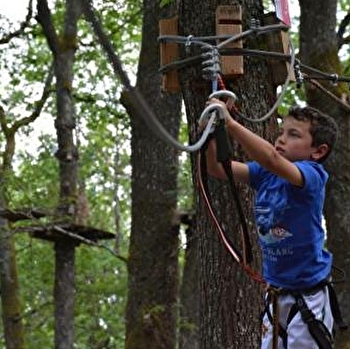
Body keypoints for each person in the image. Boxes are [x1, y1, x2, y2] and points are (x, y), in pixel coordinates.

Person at [203, 98, 339, 349]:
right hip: (276, 294)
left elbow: (272, 159)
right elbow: (218, 169)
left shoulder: (312, 176)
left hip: (309, 295)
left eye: (293, 134)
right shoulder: (264, 174)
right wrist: (212, 133)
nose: (281, 139)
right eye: (281, 132)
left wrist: (230, 123)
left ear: (318, 151)